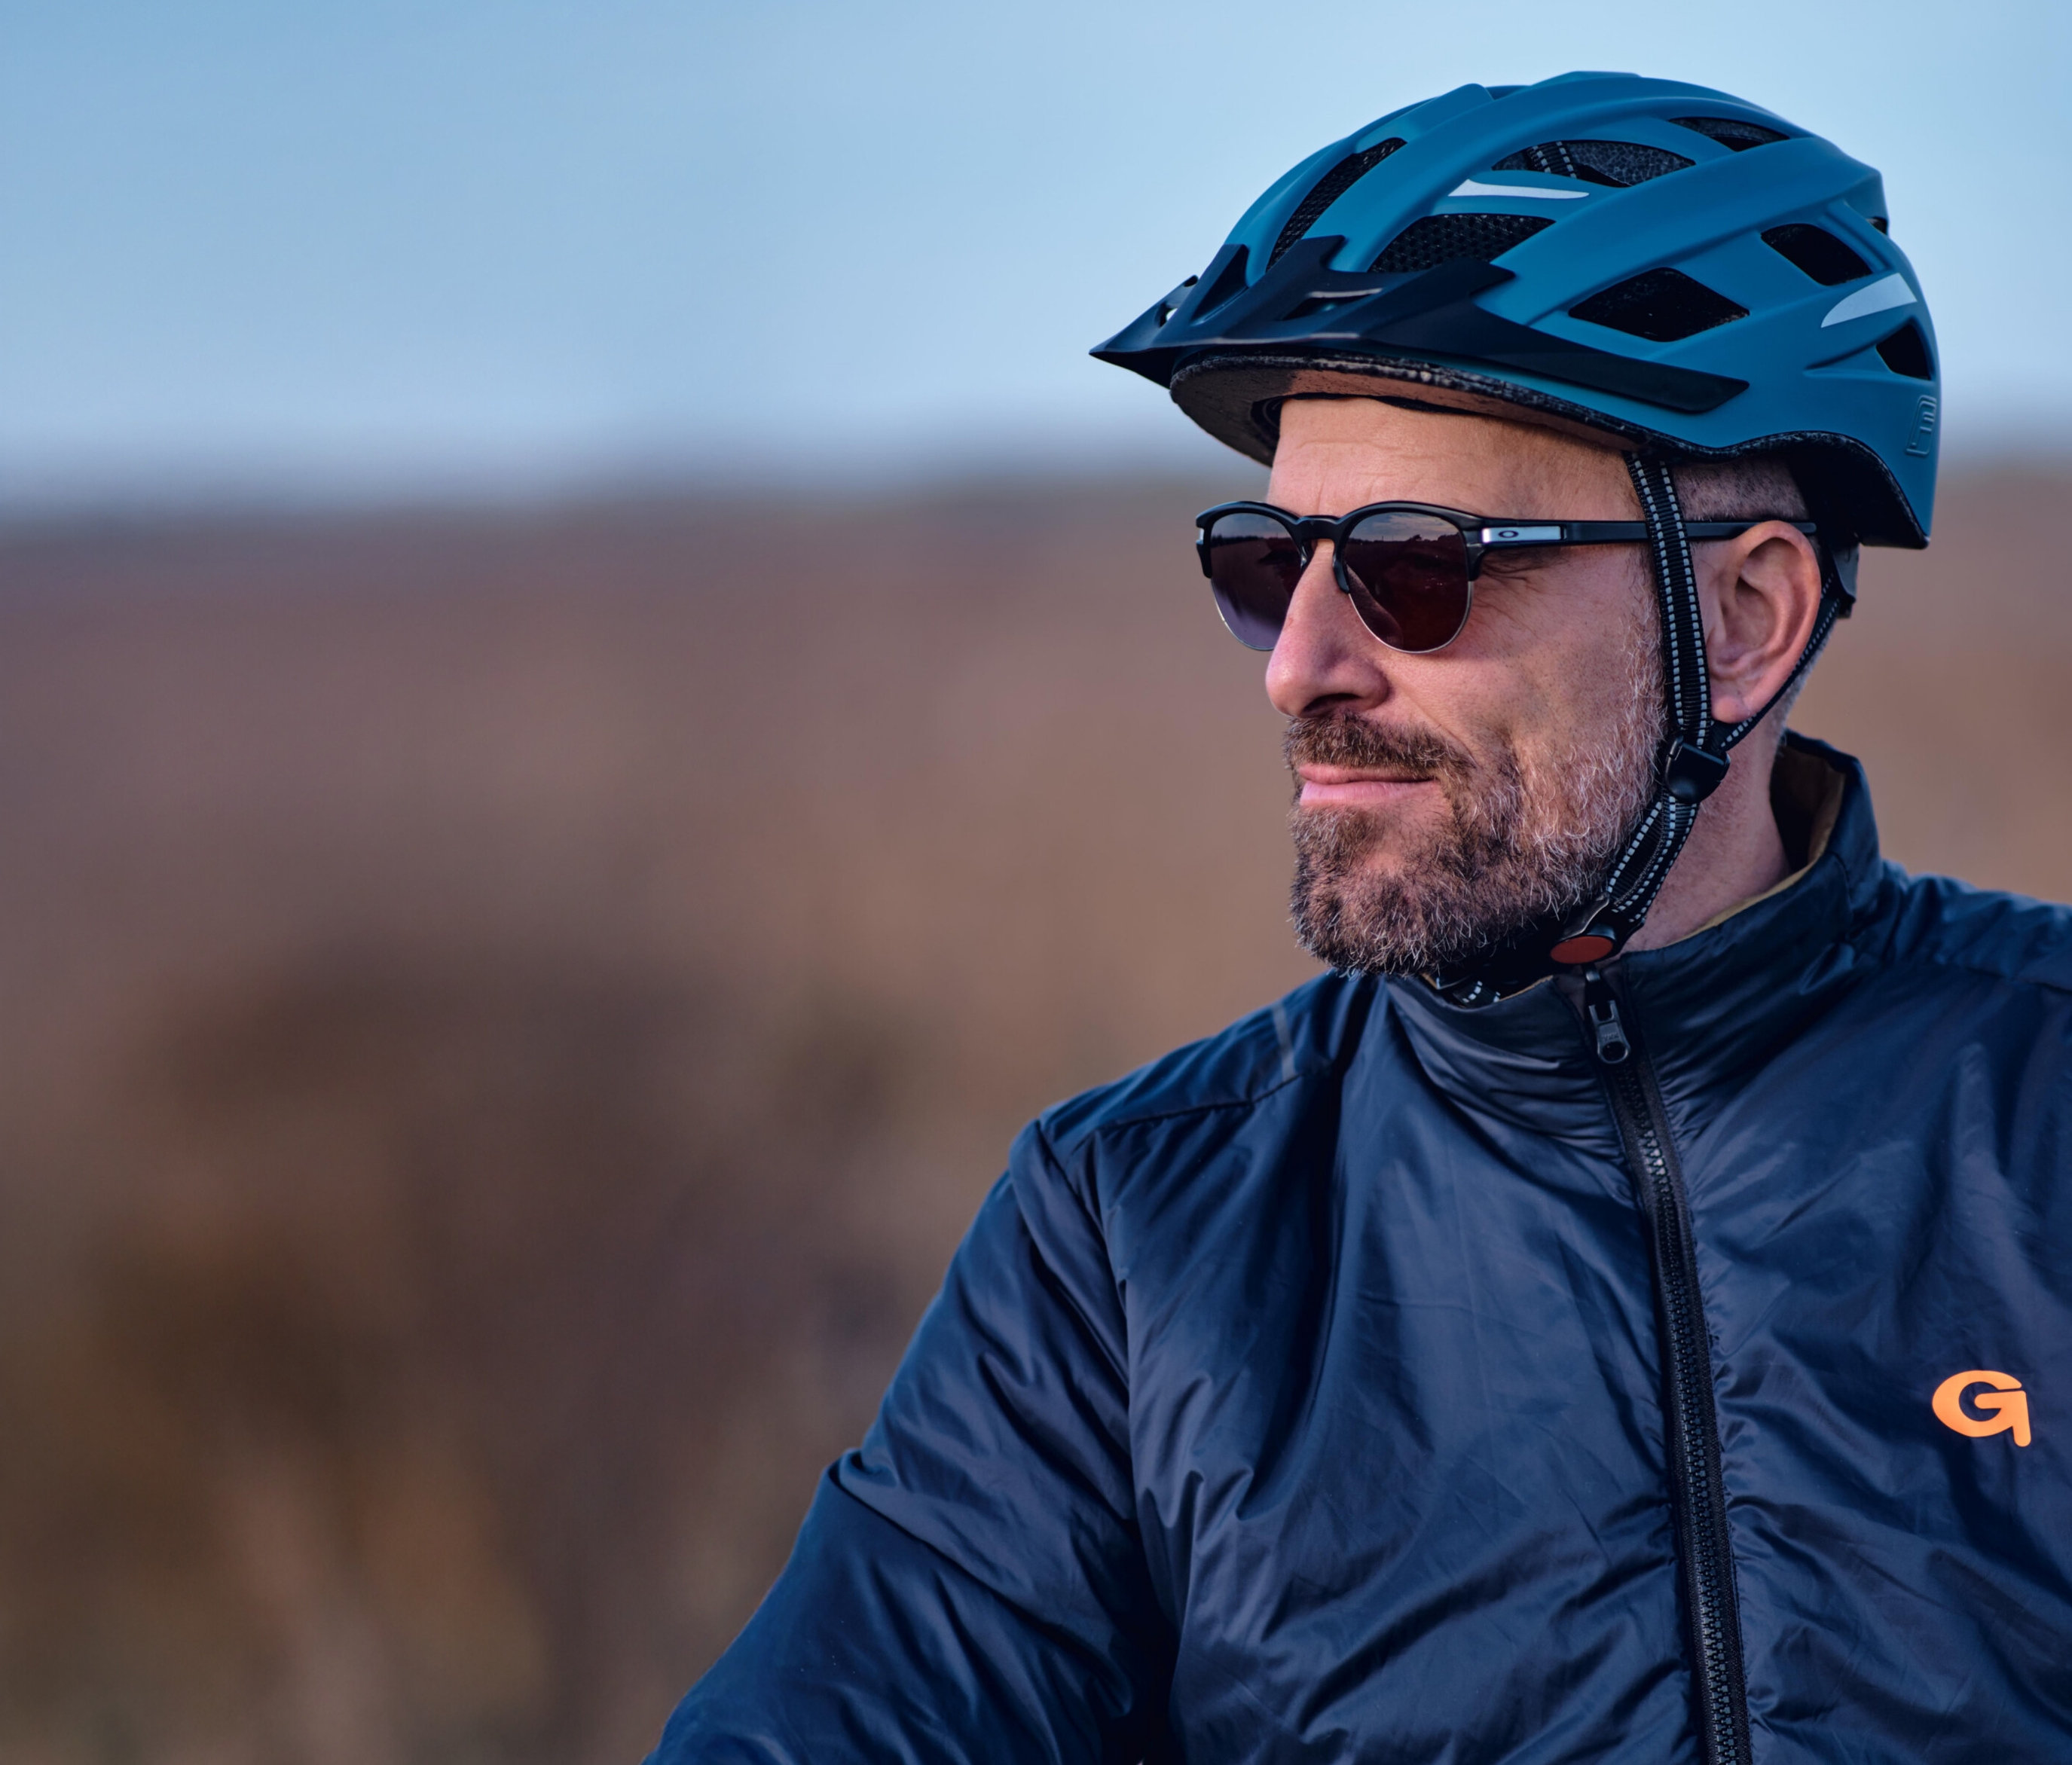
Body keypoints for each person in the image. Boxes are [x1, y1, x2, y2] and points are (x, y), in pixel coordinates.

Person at [652, 72, 2070, 1762]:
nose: (1300, 666)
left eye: (1416, 565)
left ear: (1748, 616)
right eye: (1266, 564)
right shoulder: (1137, 1237)